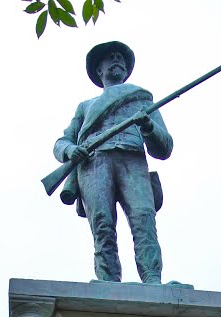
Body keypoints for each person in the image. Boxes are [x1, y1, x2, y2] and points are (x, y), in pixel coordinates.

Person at [53, 41, 173, 284]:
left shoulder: (142, 100)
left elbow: (165, 147)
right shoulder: (85, 107)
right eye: (111, 57)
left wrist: (148, 127)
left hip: (133, 160)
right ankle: (108, 280)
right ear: (100, 69)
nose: (117, 60)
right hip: (94, 164)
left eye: (121, 57)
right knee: (103, 225)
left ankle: (152, 279)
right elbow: (61, 142)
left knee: (143, 219)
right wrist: (71, 150)